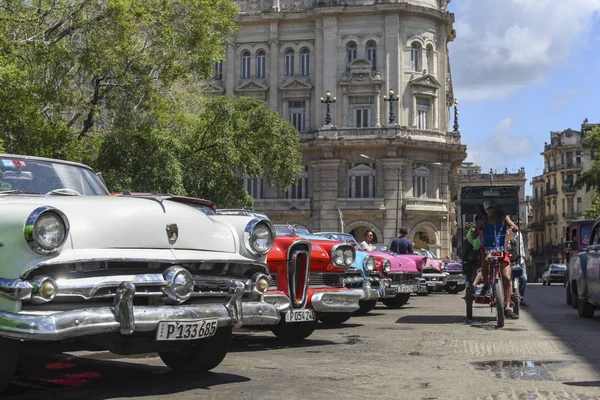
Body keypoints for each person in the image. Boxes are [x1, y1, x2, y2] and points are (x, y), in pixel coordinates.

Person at [479, 199, 519, 320]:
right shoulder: (482, 221)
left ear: (495, 208)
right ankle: (486, 284)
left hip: (502, 250)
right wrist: (476, 232)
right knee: (485, 261)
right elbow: (476, 231)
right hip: (488, 250)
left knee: (507, 277)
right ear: (485, 211)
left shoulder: (503, 218)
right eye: (488, 208)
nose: (491, 210)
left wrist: (514, 227)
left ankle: (507, 307)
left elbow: (513, 225)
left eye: (492, 207)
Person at [510, 224, 528, 307]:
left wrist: (524, 257)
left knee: (524, 278)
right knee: (512, 279)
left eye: (518, 225)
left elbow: (521, 247)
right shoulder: (508, 234)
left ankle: (521, 297)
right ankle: (511, 297)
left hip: (520, 260)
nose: (517, 227)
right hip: (512, 261)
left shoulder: (520, 234)